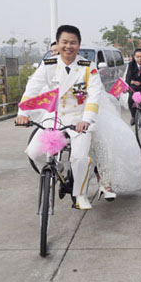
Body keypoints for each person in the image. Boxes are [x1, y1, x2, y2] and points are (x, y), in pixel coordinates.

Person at [16, 25, 101, 210]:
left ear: (79, 45)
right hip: (53, 117)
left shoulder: (88, 67)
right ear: (57, 43)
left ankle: (79, 194)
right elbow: (32, 88)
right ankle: (56, 170)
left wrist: (86, 119)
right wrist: (23, 113)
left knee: (79, 157)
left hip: (79, 119)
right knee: (33, 152)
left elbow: (94, 95)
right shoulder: (49, 64)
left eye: (73, 42)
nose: (68, 46)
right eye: (64, 42)